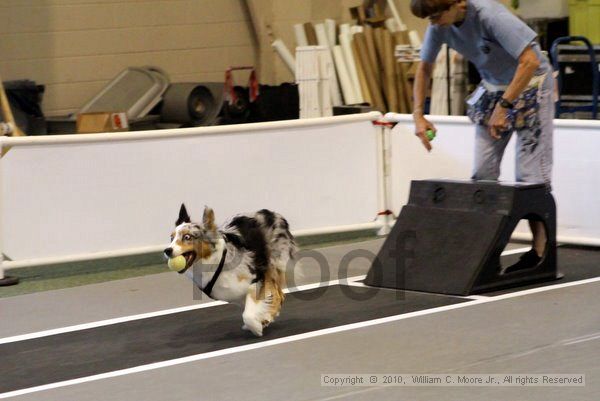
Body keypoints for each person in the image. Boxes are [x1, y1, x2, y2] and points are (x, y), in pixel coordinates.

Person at [410, 0, 555, 272]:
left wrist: (504, 106)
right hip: (492, 87)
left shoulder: (490, 16)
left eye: (436, 15)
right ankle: (485, 253)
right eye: (428, 18)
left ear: (459, 3)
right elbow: (424, 68)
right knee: (482, 174)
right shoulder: (440, 23)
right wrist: (418, 113)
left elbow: (530, 60)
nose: (432, 22)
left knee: (531, 178)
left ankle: (540, 252)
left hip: (532, 83)